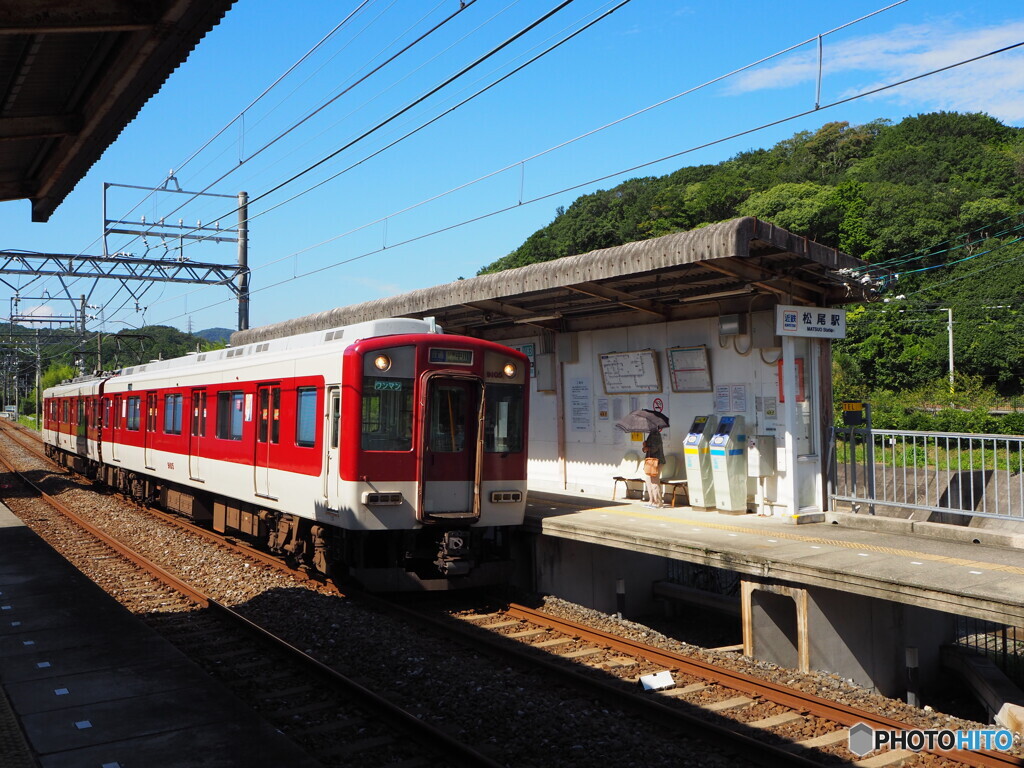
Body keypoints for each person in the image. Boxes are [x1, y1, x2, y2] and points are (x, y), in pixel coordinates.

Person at [641, 425, 664, 508]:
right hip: (650, 461)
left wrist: (646, 447)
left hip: (656, 461)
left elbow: (654, 448)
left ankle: (658, 502)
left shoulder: (656, 434)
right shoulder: (651, 434)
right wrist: (644, 447)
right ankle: (651, 500)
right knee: (649, 481)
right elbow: (645, 449)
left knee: (654, 481)